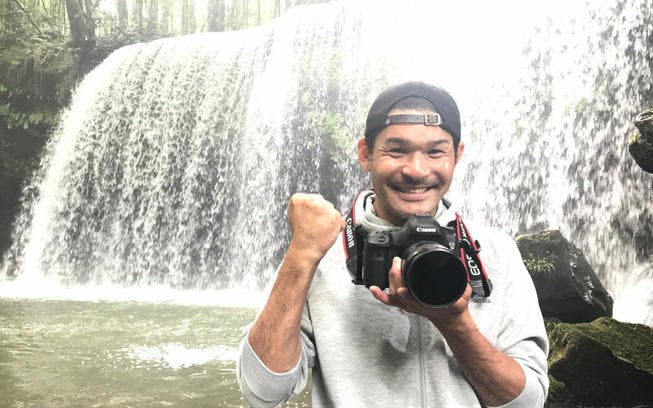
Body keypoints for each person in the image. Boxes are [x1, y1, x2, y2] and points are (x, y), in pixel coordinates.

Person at [236, 81, 549, 407]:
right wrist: (300, 257)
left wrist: (454, 323)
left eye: (435, 151)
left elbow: (528, 402)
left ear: (456, 156)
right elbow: (263, 392)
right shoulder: (317, 251)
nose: (416, 170)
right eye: (397, 150)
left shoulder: (495, 253)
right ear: (365, 155)